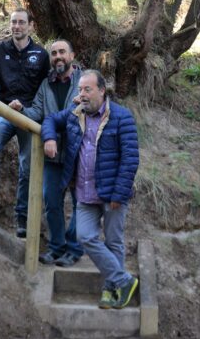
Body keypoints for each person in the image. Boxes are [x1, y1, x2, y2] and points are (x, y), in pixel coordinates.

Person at [41, 70, 140, 309]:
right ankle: (124, 280)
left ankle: (110, 290)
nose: (82, 94)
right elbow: (50, 119)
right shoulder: (75, 114)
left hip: (112, 193)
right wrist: (49, 138)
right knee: (84, 236)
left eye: (88, 89)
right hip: (85, 193)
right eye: (80, 90)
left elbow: (130, 159)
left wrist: (119, 194)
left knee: (114, 242)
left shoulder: (122, 117)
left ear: (102, 91)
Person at [0, 8, 50, 237]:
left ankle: (22, 217)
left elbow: (46, 88)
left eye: (21, 22)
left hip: (29, 117)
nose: (17, 26)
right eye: (13, 22)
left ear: (30, 26)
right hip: (5, 112)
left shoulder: (41, 54)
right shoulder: (0, 50)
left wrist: (31, 110)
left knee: (27, 165)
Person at [22, 39, 83, 267]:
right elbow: (37, 111)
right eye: (54, 53)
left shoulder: (84, 81)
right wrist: (21, 109)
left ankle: (74, 249)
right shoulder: (45, 85)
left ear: (72, 56)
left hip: (79, 153)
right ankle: (57, 247)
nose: (58, 56)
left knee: (81, 203)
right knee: (51, 200)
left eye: (62, 52)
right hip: (53, 154)